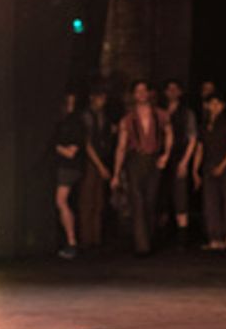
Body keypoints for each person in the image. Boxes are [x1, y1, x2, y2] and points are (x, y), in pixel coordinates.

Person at [112, 79, 174, 256]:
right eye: (137, 91)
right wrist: (116, 173)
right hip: (135, 160)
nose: (140, 94)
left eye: (143, 90)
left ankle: (149, 238)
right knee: (137, 201)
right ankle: (142, 245)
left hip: (154, 159)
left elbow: (169, 134)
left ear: (148, 93)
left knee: (150, 200)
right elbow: (121, 146)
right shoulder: (128, 119)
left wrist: (166, 155)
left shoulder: (160, 115)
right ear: (133, 95)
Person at [194, 93, 226, 250]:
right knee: (210, 201)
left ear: (222, 106)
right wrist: (195, 170)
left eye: (217, 104)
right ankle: (215, 236)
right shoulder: (205, 125)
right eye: (211, 104)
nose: (214, 107)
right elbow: (200, 148)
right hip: (209, 165)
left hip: (225, 165)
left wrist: (223, 165)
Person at [160, 79, 198, 247]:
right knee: (162, 194)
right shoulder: (160, 112)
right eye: (169, 89)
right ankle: (164, 232)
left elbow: (192, 139)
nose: (172, 92)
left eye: (175, 89)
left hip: (179, 156)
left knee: (180, 196)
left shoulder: (186, 113)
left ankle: (182, 238)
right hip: (161, 159)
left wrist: (184, 162)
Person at [77, 85, 114, 251]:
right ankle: (87, 238)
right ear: (93, 97)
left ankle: (95, 238)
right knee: (88, 200)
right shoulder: (87, 116)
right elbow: (87, 143)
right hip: (91, 162)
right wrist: (99, 166)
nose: (103, 101)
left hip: (101, 159)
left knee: (98, 201)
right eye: (100, 97)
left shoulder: (102, 116)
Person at [52, 91, 85, 259]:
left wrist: (54, 146)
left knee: (61, 201)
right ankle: (70, 241)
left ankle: (72, 241)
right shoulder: (63, 121)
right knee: (62, 202)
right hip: (64, 167)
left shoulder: (74, 123)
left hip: (69, 167)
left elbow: (71, 152)